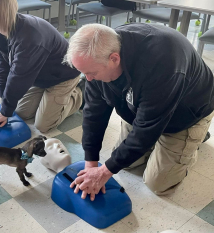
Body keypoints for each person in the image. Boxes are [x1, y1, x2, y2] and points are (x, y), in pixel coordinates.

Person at [64, 23, 214, 201]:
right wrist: (91, 162)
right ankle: (161, 148)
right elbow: (93, 113)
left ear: (114, 59)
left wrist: (104, 172)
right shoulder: (99, 54)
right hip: (139, 107)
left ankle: (194, 139)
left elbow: (146, 128)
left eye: (92, 73)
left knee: (157, 184)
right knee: (125, 163)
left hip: (185, 114)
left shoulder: (163, 62)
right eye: (84, 73)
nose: (88, 79)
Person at [0, 0, 82, 133]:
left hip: (63, 76)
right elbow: (2, 69)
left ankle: (79, 94)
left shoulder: (30, 37)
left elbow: (19, 77)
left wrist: (5, 112)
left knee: (43, 125)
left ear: (0, 9)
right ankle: (50, 99)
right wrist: (3, 105)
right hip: (39, 77)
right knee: (21, 113)